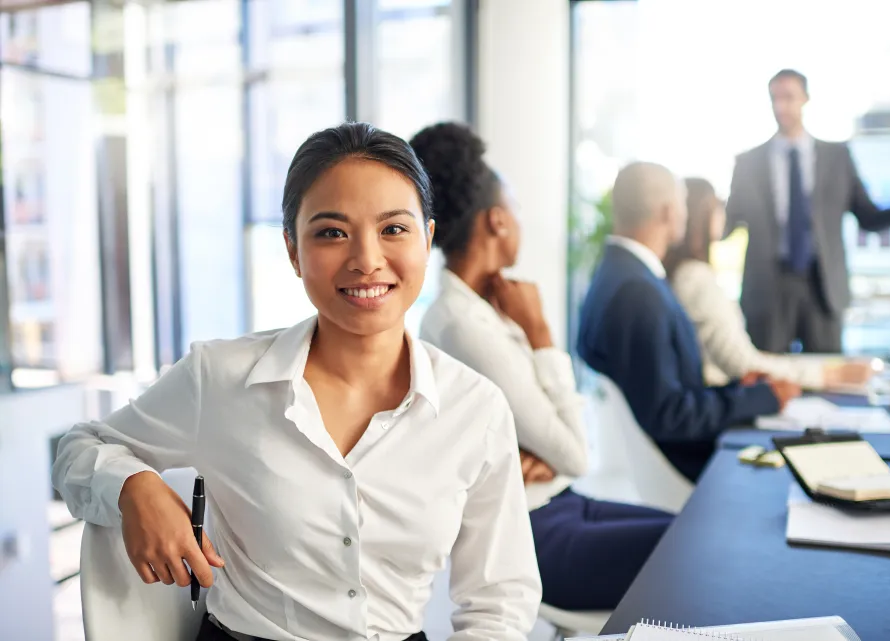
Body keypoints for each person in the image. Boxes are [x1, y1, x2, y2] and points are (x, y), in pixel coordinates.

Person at [52, 123, 541, 641]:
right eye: (332, 232)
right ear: (292, 250)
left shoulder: (476, 409)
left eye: (393, 229)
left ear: (428, 239)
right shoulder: (220, 378)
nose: (366, 259)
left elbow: (499, 600)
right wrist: (133, 486)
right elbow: (77, 449)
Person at [411, 122, 673, 611]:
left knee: (694, 533)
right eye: (517, 209)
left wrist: (529, 455)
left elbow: (557, 455)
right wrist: (541, 336)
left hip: (560, 503)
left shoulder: (483, 309)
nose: (521, 220)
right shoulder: (463, 326)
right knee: (692, 554)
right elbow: (576, 453)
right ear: (497, 222)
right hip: (534, 534)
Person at [577, 161, 801, 483]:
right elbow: (668, 414)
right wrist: (759, 398)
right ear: (668, 212)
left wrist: (740, 388)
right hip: (680, 469)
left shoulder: (618, 274)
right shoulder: (637, 292)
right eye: (683, 204)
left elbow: (662, 389)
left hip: (668, 459)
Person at [727, 68, 890, 354]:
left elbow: (869, 218)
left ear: (805, 99)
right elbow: (727, 222)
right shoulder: (749, 163)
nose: (781, 106)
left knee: (830, 378)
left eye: (788, 97)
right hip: (768, 289)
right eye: (775, 98)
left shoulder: (836, 157)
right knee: (767, 380)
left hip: (822, 289)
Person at [665, 177, 876, 390]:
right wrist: (827, 374)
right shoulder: (695, 279)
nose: (723, 214)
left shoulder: (683, 274)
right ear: (700, 214)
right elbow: (742, 364)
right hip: (723, 396)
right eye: (717, 206)